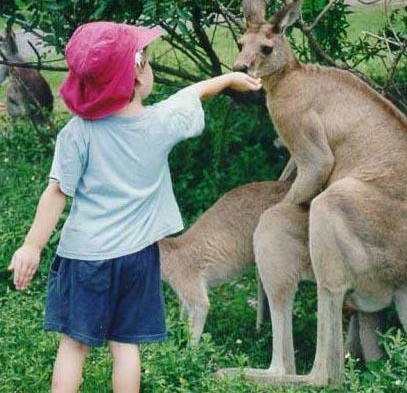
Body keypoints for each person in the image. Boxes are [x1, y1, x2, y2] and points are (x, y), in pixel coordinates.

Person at [7, 21, 262, 393]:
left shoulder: (76, 132)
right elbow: (194, 94)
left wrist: (32, 245)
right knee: (126, 346)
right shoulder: (159, 123)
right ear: (138, 74)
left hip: (85, 258)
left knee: (73, 346)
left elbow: (56, 193)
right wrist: (228, 80)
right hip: (138, 259)